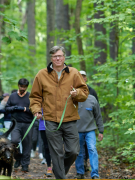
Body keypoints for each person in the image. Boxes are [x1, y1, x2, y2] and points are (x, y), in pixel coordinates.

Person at [29, 46, 89, 179]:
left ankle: (58, 169)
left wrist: (76, 93)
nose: (58, 58)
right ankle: (61, 176)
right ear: (51, 58)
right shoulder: (41, 74)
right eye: (55, 56)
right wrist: (36, 110)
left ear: (64, 57)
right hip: (50, 120)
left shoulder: (73, 73)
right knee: (56, 153)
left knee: (74, 151)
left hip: (70, 119)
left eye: (60, 56)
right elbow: (35, 97)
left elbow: (84, 92)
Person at [4, 78, 33, 172]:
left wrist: (24, 109)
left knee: (27, 145)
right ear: (18, 85)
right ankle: (18, 157)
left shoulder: (30, 96)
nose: (23, 88)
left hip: (27, 124)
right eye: (21, 86)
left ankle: (25, 164)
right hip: (15, 123)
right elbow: (7, 108)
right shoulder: (12, 96)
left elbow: (34, 110)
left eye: (25, 87)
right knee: (14, 141)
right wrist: (14, 108)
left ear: (27, 87)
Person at [74, 94, 104, 179]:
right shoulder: (73, 98)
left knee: (92, 149)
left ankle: (95, 174)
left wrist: (100, 130)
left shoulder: (92, 99)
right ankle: (80, 173)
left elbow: (98, 115)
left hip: (90, 130)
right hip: (77, 130)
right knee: (78, 151)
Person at [79, 70, 99, 171]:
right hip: (78, 127)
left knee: (90, 147)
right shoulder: (73, 92)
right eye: (80, 76)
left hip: (89, 126)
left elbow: (97, 110)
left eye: (84, 76)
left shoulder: (92, 92)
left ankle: (88, 164)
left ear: (86, 78)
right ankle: (81, 166)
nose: (82, 78)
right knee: (79, 149)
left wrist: (100, 128)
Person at [39, 110, 52, 177]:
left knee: (55, 147)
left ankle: (58, 167)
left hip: (54, 127)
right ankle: (49, 167)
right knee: (46, 147)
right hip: (43, 127)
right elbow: (38, 114)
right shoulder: (41, 101)